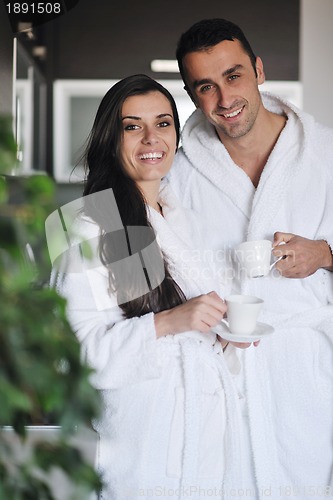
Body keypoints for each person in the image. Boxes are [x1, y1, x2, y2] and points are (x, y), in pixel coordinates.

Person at [52, 74, 254, 499]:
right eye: (132, 126)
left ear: (177, 135)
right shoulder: (86, 226)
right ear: (111, 139)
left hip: (207, 444)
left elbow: (192, 332)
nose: (151, 138)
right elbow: (73, 360)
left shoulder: (183, 217)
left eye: (163, 123)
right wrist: (168, 322)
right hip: (142, 454)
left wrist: (224, 337)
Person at [167, 18, 333, 499]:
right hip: (222, 374)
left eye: (234, 76)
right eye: (206, 87)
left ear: (259, 70)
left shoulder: (324, 153)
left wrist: (325, 253)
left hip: (308, 376)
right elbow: (143, 259)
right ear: (192, 95)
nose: (224, 99)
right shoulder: (180, 171)